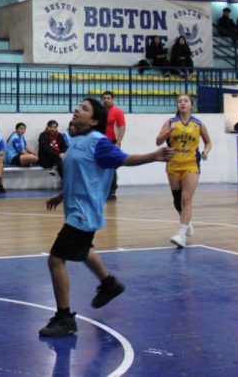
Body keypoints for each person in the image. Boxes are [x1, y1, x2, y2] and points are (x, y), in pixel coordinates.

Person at [39, 97, 171, 338]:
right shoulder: (77, 140)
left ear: (94, 120)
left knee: (56, 259)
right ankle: (109, 284)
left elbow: (124, 159)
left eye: (85, 108)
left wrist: (155, 155)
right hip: (75, 209)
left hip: (83, 213)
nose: (77, 109)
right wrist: (60, 195)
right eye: (79, 106)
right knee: (83, 249)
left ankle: (64, 318)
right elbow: (80, 173)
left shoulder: (99, 143)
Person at [156, 94, 212, 248]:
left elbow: (208, 141)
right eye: (179, 101)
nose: (182, 103)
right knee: (177, 199)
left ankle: (181, 235)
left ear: (191, 105)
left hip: (191, 164)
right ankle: (186, 221)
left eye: (185, 101)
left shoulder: (198, 124)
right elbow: (158, 141)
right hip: (173, 164)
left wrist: (206, 151)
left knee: (186, 199)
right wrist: (168, 132)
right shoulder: (170, 122)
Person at [101, 91, 125, 200]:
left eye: (108, 98)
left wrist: (118, 142)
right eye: (104, 98)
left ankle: (112, 190)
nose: (106, 100)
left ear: (112, 99)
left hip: (112, 142)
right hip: (100, 142)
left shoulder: (117, 112)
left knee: (111, 166)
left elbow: (122, 127)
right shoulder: (99, 112)